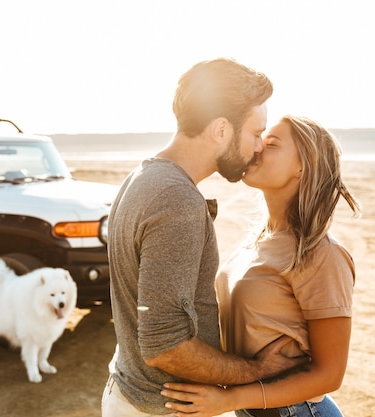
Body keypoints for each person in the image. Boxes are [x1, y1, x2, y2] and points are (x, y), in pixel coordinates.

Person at [101, 59, 307, 416]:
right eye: (256, 133)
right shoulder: (176, 199)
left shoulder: (144, 176)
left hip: (131, 393)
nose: (259, 147)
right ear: (221, 130)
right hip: (161, 409)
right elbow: (165, 346)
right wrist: (257, 372)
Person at [160, 115, 361, 417]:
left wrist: (230, 399)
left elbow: (329, 375)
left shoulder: (320, 254)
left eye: (272, 144)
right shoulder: (258, 240)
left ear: (302, 167)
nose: (256, 149)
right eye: (259, 139)